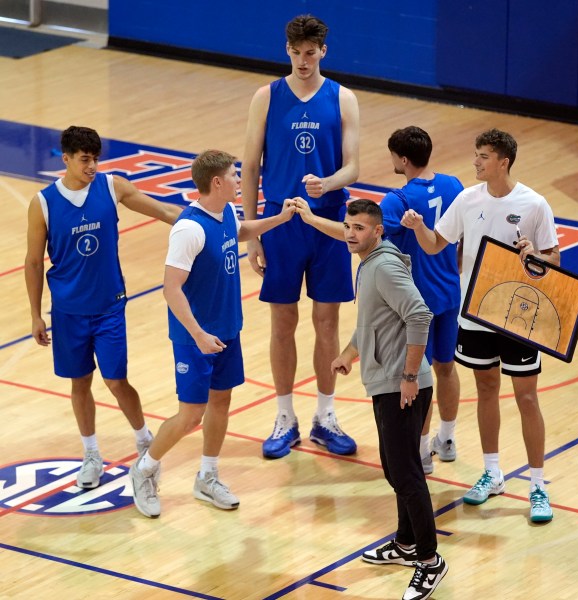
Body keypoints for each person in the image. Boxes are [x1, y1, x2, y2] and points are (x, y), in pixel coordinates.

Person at [401, 128, 559, 523]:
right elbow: (436, 244)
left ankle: (537, 485)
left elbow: (554, 261)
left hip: (519, 315)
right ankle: (492, 472)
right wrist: (418, 225)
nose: (475, 162)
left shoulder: (534, 204)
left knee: (526, 398)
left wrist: (535, 255)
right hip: (475, 315)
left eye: (483, 156)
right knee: (486, 389)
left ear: (503, 161)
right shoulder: (467, 200)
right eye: (476, 155)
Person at [129, 150, 295, 518]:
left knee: (221, 404)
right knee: (190, 414)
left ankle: (207, 476)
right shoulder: (189, 229)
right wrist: (199, 334)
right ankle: (144, 469)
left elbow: (241, 232)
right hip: (195, 337)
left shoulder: (226, 213)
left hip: (227, 330)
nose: (240, 181)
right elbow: (171, 289)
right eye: (235, 175)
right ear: (216, 182)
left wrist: (280, 219)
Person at [24, 125, 183, 490]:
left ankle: (145, 442)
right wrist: (35, 314)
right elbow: (33, 263)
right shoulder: (44, 203)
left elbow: (165, 211)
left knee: (115, 380)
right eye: (85, 159)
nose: (92, 165)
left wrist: (203, 219)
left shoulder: (112, 187)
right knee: (80, 383)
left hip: (109, 307)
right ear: (66, 159)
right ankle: (91, 454)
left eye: (95, 158)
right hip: (67, 311)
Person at [242, 14, 360, 459]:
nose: (304, 60)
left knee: (327, 322)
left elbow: (353, 167)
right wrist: (252, 232)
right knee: (282, 323)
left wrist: (328, 184)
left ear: (323, 51)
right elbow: (250, 165)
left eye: (312, 53)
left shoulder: (343, 98)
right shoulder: (266, 97)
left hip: (328, 220)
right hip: (280, 221)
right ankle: (284, 416)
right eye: (297, 52)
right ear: (286, 49)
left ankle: (325, 417)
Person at [332, 199, 447, 600]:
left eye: (360, 228)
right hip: (388, 382)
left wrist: (410, 377)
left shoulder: (382, 266)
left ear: (378, 231)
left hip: (402, 387)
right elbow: (374, 322)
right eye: (348, 226)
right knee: (396, 470)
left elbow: (420, 315)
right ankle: (405, 543)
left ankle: (430, 561)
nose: (350, 233)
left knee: (407, 476)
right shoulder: (369, 263)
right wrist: (349, 353)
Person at [381, 126, 463, 475]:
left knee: (419, 376)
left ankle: (421, 451)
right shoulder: (454, 186)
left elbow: (365, 239)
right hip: (450, 292)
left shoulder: (396, 200)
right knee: (447, 368)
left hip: (418, 302)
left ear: (402, 159)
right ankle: (447, 439)